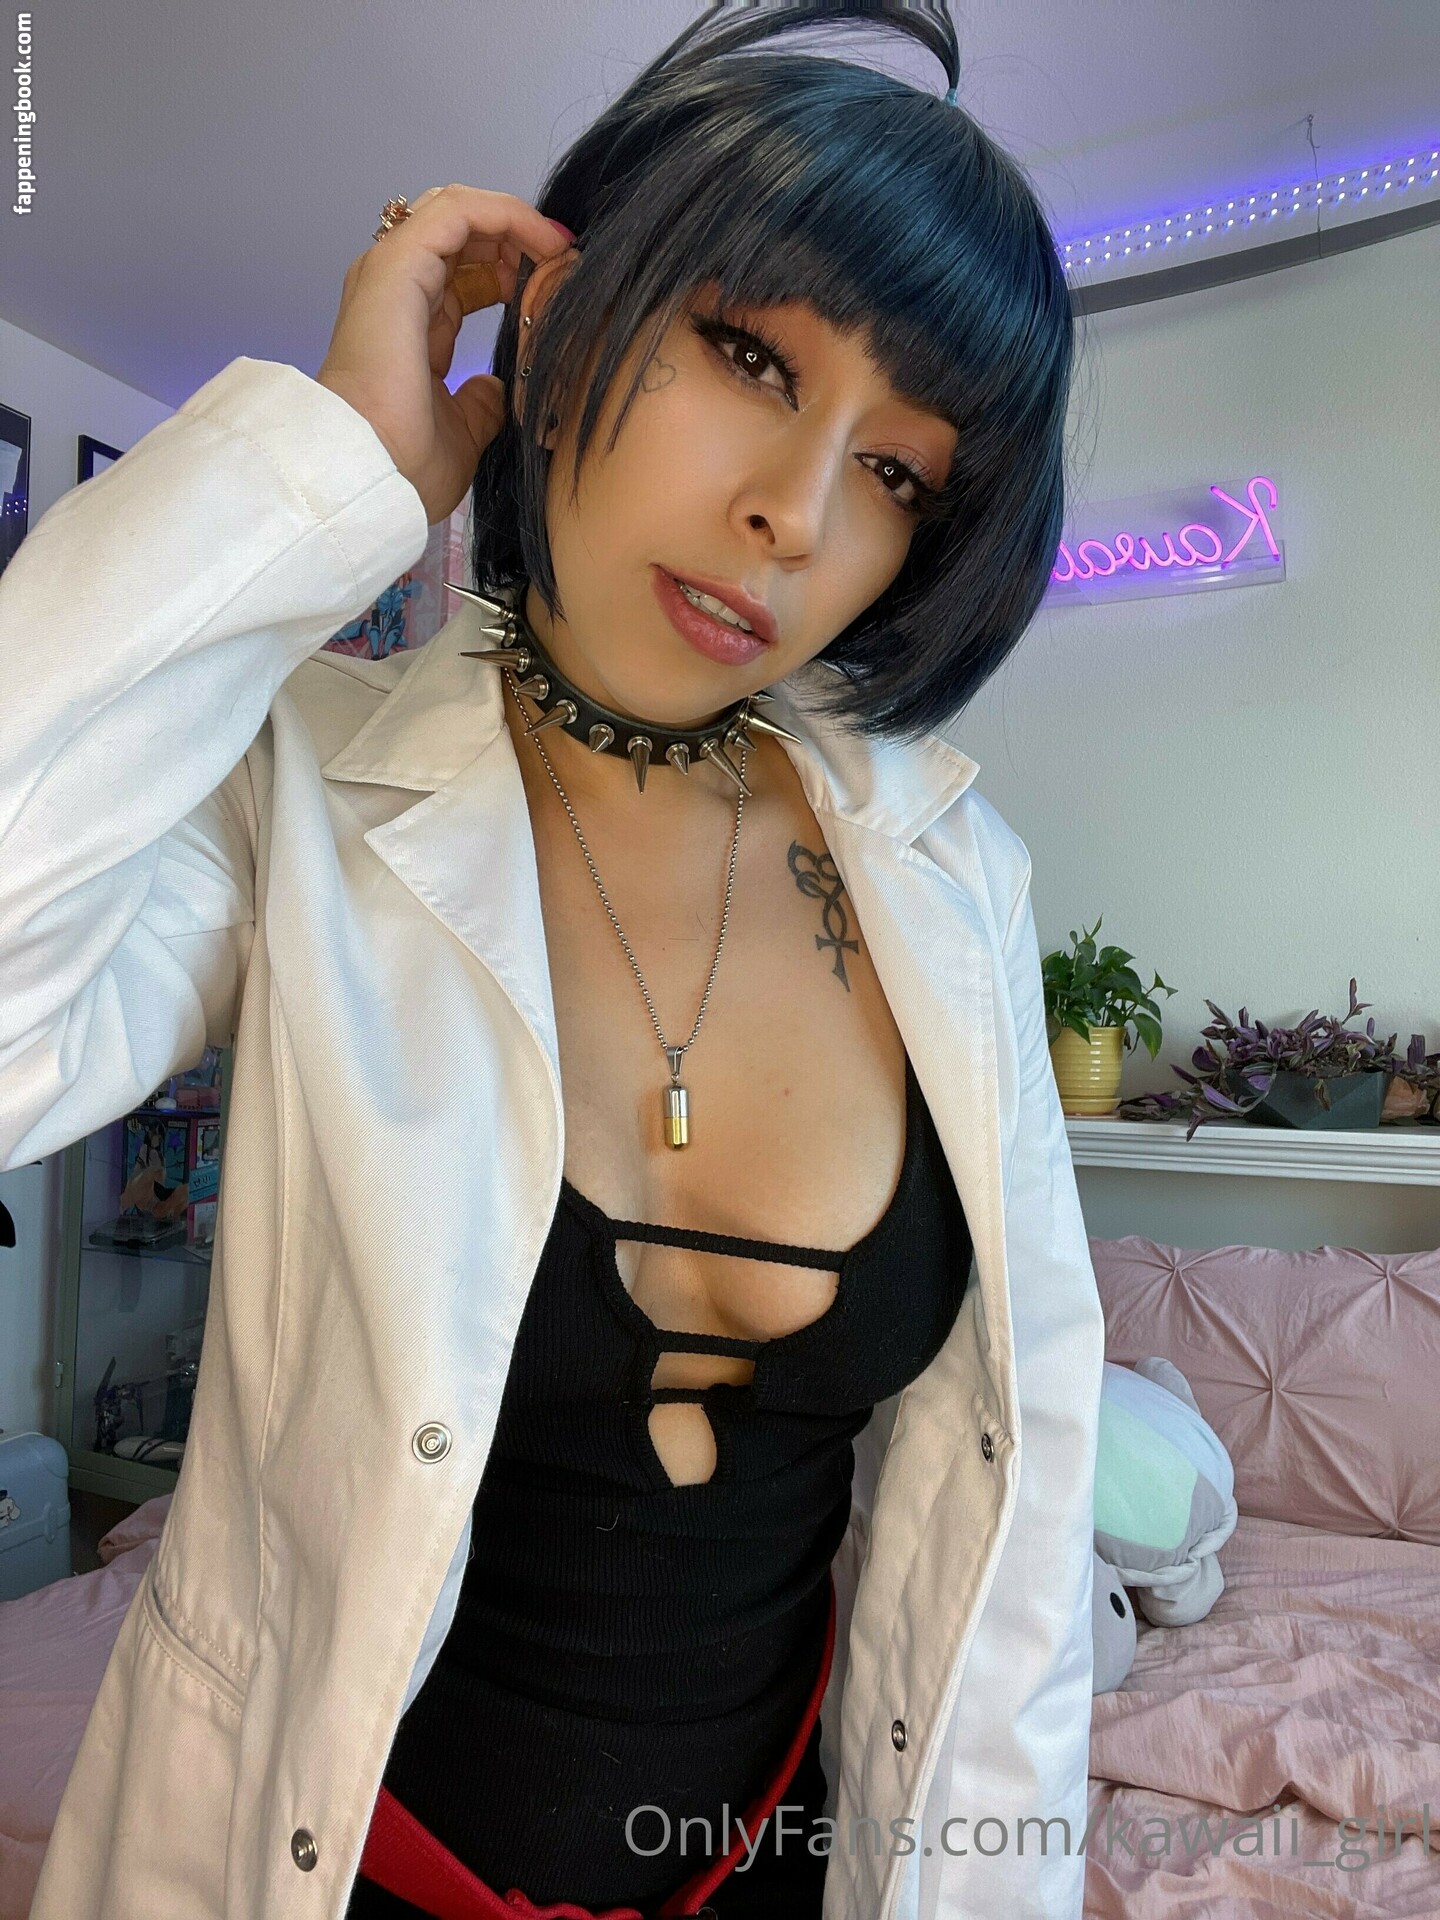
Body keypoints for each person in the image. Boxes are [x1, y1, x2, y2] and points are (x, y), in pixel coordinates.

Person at [0, 4, 1105, 1918]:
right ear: (568, 308)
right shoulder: (304, 786)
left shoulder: (953, 880)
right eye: (749, 356)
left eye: (900, 473)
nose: (794, 514)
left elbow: (1024, 1516)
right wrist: (333, 472)